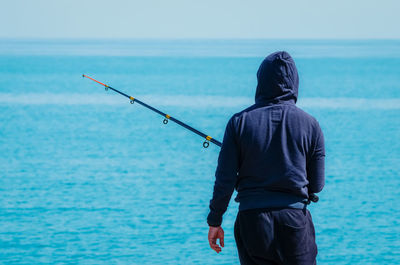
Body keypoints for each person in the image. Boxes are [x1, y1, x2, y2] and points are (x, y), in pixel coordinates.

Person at [207, 51, 325, 265]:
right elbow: (317, 184)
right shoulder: (311, 124)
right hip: (295, 221)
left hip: (252, 221)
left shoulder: (238, 122)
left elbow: (225, 180)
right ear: (295, 82)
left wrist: (215, 220)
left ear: (260, 81)